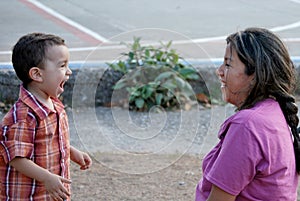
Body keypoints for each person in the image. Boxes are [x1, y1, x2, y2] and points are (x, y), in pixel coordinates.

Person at [195, 27, 300, 201]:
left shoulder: (247, 124)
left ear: (254, 75)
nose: (219, 71)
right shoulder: (275, 111)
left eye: (228, 64)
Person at [0, 33, 92, 200]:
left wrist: (70, 151)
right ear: (37, 74)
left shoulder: (54, 104)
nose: (69, 71)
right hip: (28, 196)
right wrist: (46, 177)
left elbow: (48, 139)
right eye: (62, 65)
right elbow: (16, 158)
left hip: (48, 194)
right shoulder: (23, 116)